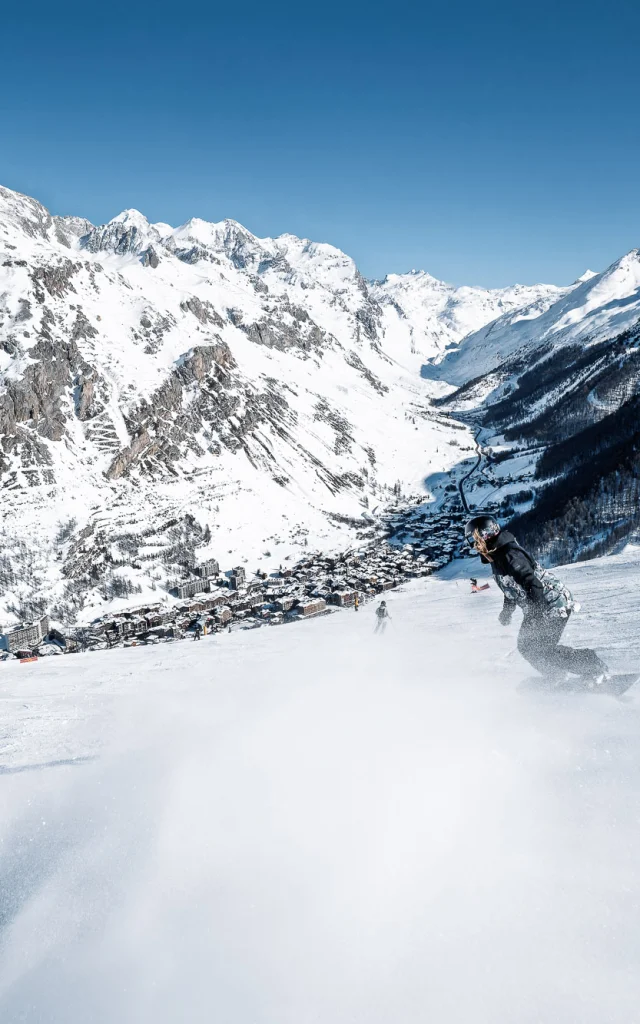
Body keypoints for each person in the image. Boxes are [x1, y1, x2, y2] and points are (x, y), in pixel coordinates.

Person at [465, 514, 609, 686]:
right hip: (538, 605)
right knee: (527, 646)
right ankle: (556, 675)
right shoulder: (497, 557)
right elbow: (510, 586)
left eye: (475, 540)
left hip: (552, 603)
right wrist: (507, 611)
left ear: (485, 536)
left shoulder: (509, 554)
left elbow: (533, 584)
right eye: (471, 541)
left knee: (543, 649)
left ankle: (594, 667)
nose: (474, 545)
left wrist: (537, 614)